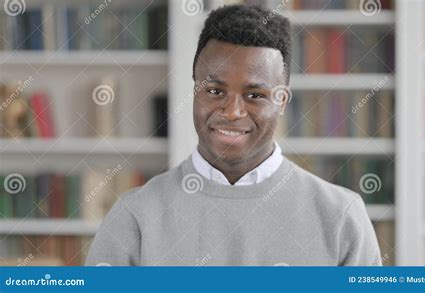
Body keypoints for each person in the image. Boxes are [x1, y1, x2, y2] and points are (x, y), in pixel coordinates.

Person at [86, 4, 382, 266]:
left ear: (281, 100)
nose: (232, 112)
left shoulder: (341, 216)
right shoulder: (135, 216)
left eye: (254, 94)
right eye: (215, 91)